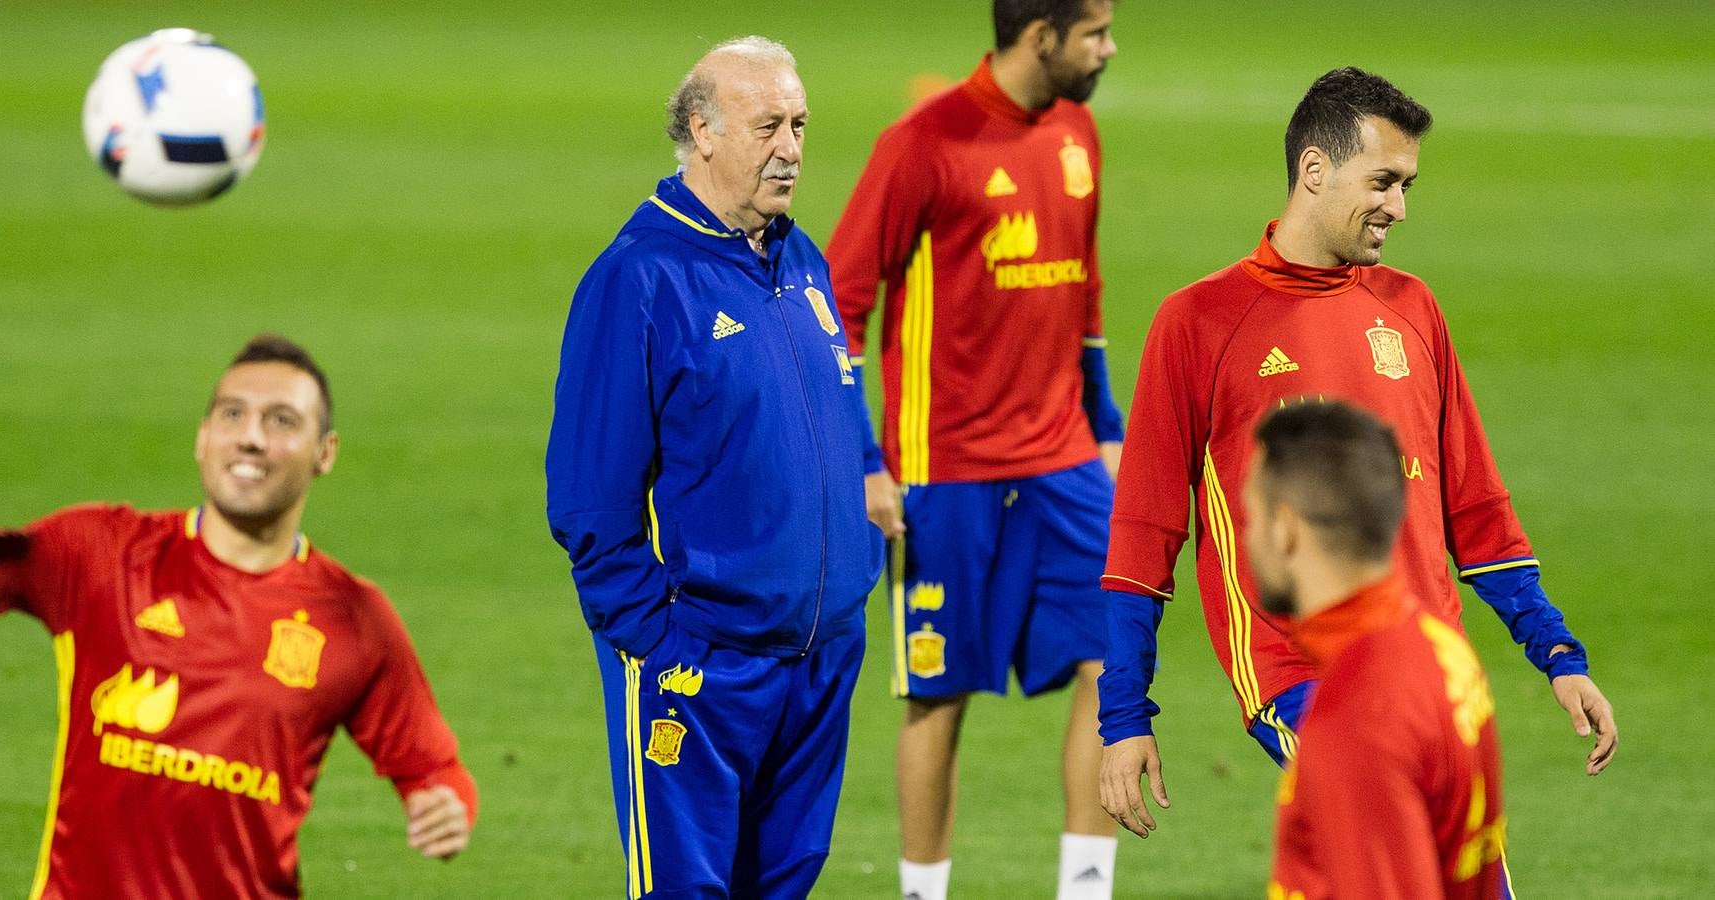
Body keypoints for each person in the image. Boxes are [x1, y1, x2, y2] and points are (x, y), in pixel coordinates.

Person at [1096, 67, 1617, 843]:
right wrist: (1123, 718)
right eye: (1382, 181)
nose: (1398, 207)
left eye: (1407, 184)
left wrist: (1559, 653)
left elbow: (1474, 508)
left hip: (1434, 676)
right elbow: (1144, 536)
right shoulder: (1200, 322)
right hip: (1304, 678)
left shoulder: (1412, 308)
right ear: (1314, 168)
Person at [0, 336, 476, 899]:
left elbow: (435, 770)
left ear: (325, 453)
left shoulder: (352, 618)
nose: (251, 439)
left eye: (281, 421)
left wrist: (446, 806)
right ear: (202, 438)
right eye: (231, 415)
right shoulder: (99, 553)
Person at [545, 36, 885, 899]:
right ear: (702, 131)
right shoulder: (639, 278)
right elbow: (590, 498)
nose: (793, 148)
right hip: (702, 664)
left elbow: (835, 411)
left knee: (782, 885)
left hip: (818, 660)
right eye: (769, 125)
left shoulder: (799, 259)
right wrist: (657, 644)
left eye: (801, 125)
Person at [825, 1, 1122, 897]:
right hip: (943, 472)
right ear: (1041, 37)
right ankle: (922, 892)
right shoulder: (921, 143)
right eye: (1096, 33)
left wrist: (1107, 429)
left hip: (1065, 460)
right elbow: (840, 303)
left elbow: (1086, 292)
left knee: (1115, 664)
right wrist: (866, 457)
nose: (1109, 49)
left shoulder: (1077, 131)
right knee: (936, 694)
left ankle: (1085, 888)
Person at [1245, 400, 1506, 900]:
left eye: (1251, 515)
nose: (1248, 538)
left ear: (1286, 529)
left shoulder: (1356, 714)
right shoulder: (1438, 648)